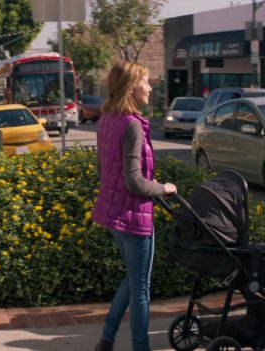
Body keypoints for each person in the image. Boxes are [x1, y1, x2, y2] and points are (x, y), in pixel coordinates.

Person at [91, 61, 177, 351]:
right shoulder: (131, 126)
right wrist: (163, 189)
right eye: (146, 82)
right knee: (141, 287)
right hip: (133, 217)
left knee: (133, 277)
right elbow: (135, 183)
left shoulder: (106, 119)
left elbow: (102, 170)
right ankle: (141, 347)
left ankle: (107, 337)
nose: (150, 88)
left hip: (112, 213)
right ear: (131, 87)